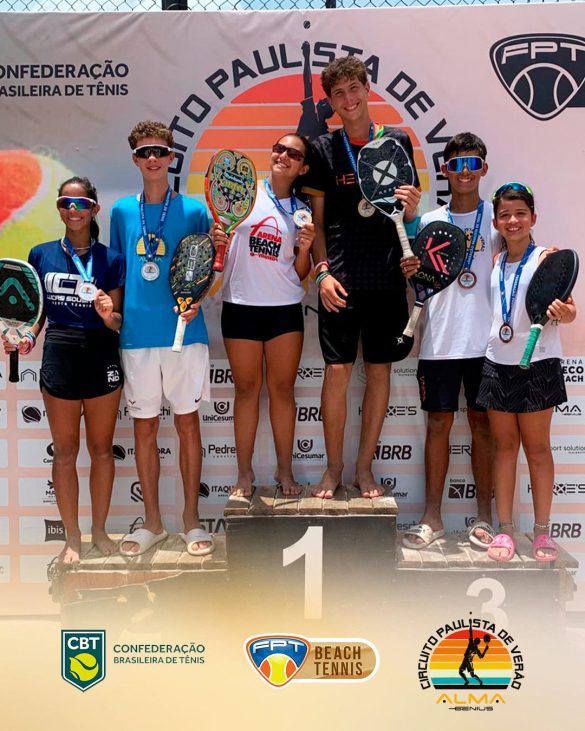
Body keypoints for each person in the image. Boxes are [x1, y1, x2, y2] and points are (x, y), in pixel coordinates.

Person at [302, 56, 421, 499]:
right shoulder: (322, 148)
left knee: (379, 372)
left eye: (354, 88)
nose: (348, 99)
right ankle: (333, 469)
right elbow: (317, 222)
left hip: (387, 277)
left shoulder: (397, 140)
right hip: (341, 278)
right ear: (331, 103)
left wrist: (413, 208)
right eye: (339, 93)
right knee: (336, 372)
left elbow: (406, 213)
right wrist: (322, 273)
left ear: (367, 89)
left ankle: (364, 469)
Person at [2, 177, 125, 564]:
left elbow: (118, 322)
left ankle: (99, 531)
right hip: (60, 355)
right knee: (66, 452)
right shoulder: (40, 255)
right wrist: (25, 337)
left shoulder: (111, 259)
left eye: (81, 204)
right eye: (65, 204)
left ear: (94, 209)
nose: (73, 210)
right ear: (58, 209)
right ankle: (72, 537)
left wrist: (108, 314)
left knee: (102, 451)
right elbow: (34, 313)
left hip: (101, 355)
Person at [110, 120, 213, 557]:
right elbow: (118, 273)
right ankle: (152, 523)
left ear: (172, 158)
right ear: (135, 159)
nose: (152, 159)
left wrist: (197, 301)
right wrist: (114, 316)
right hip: (136, 335)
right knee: (145, 427)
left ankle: (191, 521)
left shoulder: (194, 210)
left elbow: (204, 268)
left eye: (160, 152)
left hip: (184, 333)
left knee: (188, 424)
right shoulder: (121, 211)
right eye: (144, 152)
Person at [402, 133, 498, 550]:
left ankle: (485, 518)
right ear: (444, 170)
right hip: (440, 341)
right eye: (456, 164)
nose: (464, 172)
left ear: (483, 169)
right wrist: (409, 270)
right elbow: (416, 278)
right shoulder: (427, 221)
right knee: (438, 426)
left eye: (472, 164)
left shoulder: (498, 216)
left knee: (483, 427)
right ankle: (432, 518)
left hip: (487, 344)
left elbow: (521, 260)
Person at [477, 183, 576, 562]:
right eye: (505, 215)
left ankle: (542, 532)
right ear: (496, 223)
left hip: (539, 366)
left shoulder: (547, 259)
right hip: (497, 364)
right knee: (504, 449)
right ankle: (504, 530)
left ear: (533, 217)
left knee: (537, 450)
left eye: (520, 213)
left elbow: (569, 309)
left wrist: (566, 313)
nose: (513, 220)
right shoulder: (495, 262)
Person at [213, 134, 315, 497]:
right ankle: (244, 475)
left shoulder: (303, 211)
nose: (283, 155)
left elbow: (300, 272)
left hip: (284, 308)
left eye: (293, 154)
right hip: (240, 304)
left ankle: (284, 472)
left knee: (283, 391)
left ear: (303, 167)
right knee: (246, 391)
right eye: (279, 148)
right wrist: (216, 237)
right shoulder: (242, 194)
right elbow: (219, 240)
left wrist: (304, 249)